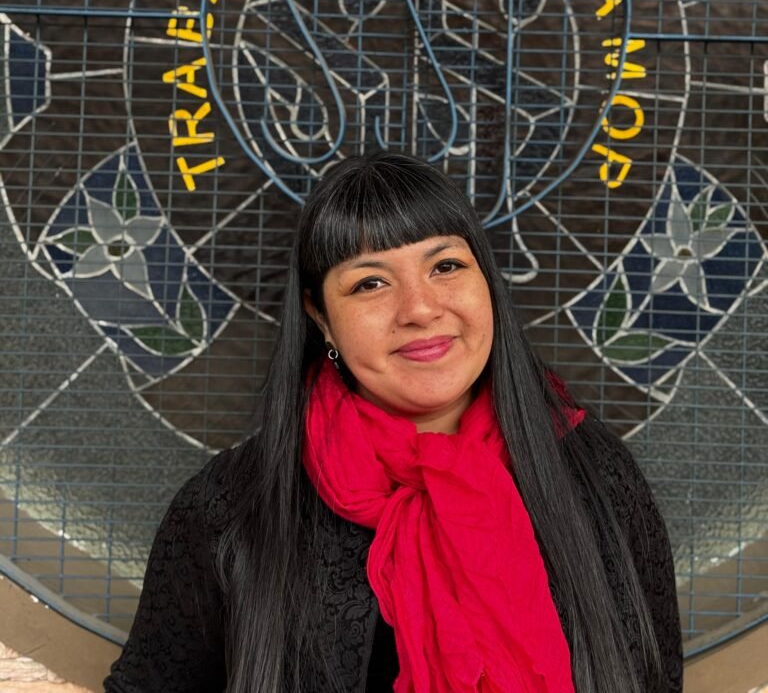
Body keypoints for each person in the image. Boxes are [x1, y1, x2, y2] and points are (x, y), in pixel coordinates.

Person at [104, 152, 683, 693]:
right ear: (320, 317)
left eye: (446, 266)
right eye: (370, 283)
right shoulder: (230, 507)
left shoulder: (594, 475)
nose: (420, 309)